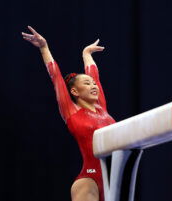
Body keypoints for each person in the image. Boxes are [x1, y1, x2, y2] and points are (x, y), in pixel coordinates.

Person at [22, 26, 115, 201]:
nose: (94, 86)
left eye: (94, 84)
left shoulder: (101, 107)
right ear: (74, 92)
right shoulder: (71, 111)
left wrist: (86, 54)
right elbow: (56, 77)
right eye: (87, 84)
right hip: (90, 181)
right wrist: (44, 48)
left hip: (114, 181)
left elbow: (94, 74)